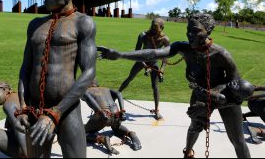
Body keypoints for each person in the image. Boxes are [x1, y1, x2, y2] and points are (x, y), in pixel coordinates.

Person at [98, 13, 254, 158]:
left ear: (209, 31)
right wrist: (121, 55)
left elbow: (238, 92)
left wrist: (217, 98)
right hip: (200, 94)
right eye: (188, 30)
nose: (190, 35)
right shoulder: (183, 48)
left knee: (238, 140)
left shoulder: (221, 55)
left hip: (225, 95)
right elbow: (154, 53)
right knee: (194, 127)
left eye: (196, 31)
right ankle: (188, 152)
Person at [15, 0, 96, 158]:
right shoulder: (35, 24)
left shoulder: (83, 23)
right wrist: (23, 107)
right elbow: (25, 68)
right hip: (34, 110)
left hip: (67, 110)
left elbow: (89, 73)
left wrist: (56, 113)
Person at [118, 18, 170, 120]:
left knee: (155, 86)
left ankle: (156, 110)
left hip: (154, 62)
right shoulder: (143, 35)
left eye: (156, 29)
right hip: (141, 59)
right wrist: (144, 65)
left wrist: (161, 71)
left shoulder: (165, 39)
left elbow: (165, 56)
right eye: (152, 27)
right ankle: (115, 94)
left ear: (162, 28)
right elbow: (137, 52)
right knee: (130, 78)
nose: (153, 30)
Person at [82, 79, 142, 155]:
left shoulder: (86, 91)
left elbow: (87, 97)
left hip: (103, 115)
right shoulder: (106, 89)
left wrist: (100, 111)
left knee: (81, 133)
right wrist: (122, 110)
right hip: (116, 113)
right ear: (97, 84)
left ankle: (102, 139)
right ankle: (130, 134)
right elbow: (118, 93)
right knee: (116, 128)